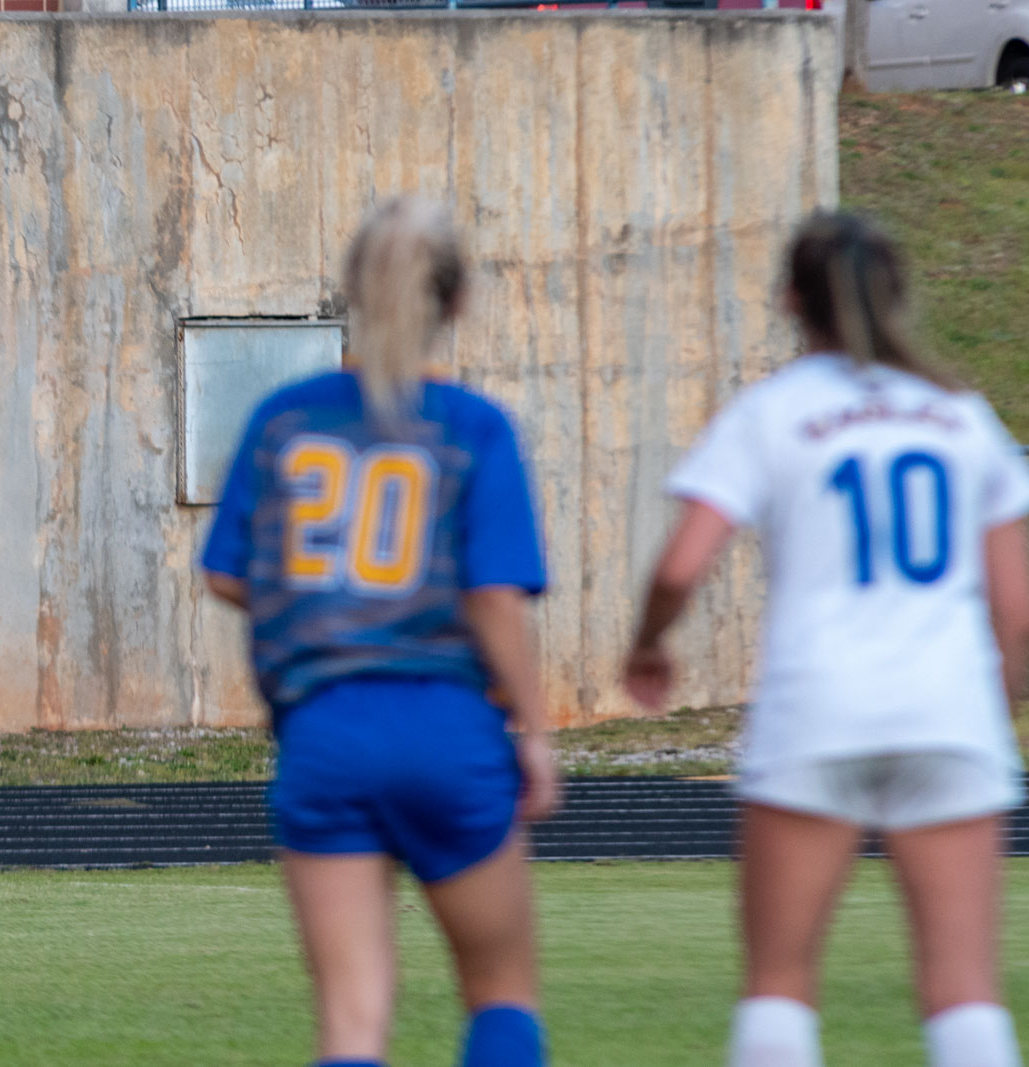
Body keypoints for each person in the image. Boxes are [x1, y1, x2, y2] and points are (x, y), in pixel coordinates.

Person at [624, 211, 1029, 1067]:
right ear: (899, 294)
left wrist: (649, 642)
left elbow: (682, 564)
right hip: (948, 707)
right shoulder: (962, 414)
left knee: (779, 985)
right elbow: (1018, 608)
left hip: (817, 706)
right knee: (964, 994)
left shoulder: (773, 410)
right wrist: (993, 703)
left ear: (789, 299)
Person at [201, 196, 559, 1067]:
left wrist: (325, 608)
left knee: (352, 1024)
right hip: (448, 724)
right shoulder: (473, 426)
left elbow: (228, 572)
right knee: (501, 993)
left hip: (325, 728)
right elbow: (493, 599)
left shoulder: (285, 419)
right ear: (458, 301)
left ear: (352, 291)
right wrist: (535, 728)